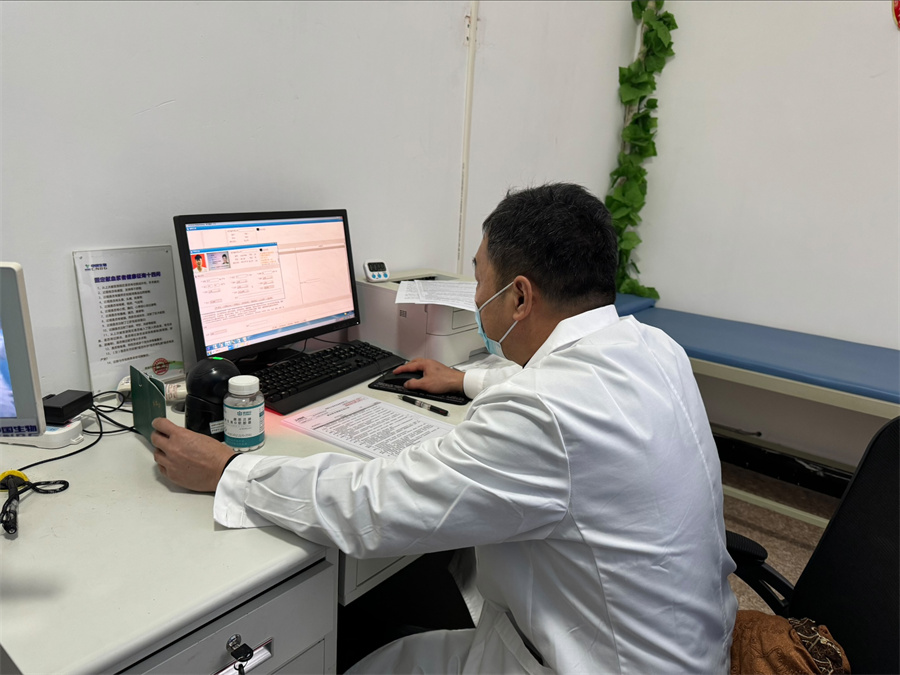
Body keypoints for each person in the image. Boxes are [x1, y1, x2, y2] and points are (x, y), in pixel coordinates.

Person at [151, 183, 737, 674]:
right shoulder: (653, 349)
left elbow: (373, 506)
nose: (476, 296)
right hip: (676, 647)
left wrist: (230, 471)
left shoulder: (545, 414)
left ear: (520, 297)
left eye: (479, 279)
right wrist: (466, 380)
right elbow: (563, 393)